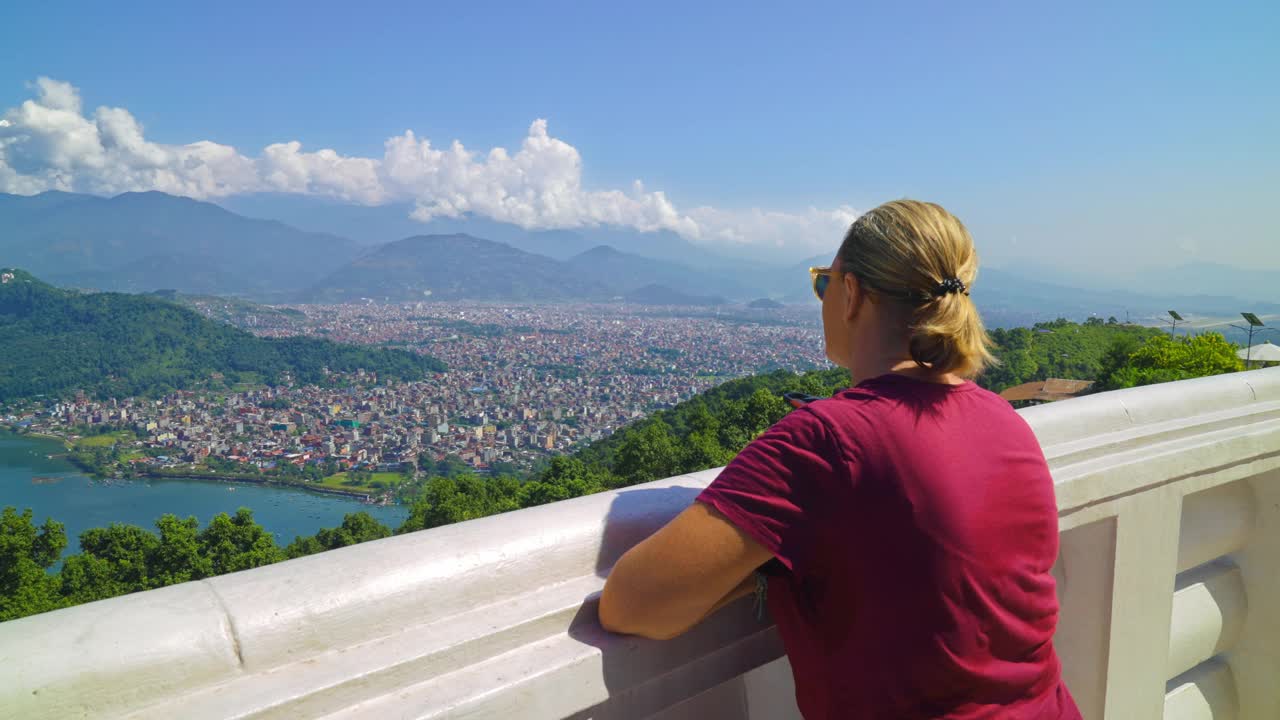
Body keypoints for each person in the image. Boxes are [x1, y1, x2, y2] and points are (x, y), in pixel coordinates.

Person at [598, 200, 1081, 719]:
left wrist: (768, 563)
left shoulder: (826, 441)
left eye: (823, 284)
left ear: (851, 294)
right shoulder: (1003, 420)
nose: (823, 298)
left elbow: (631, 606)